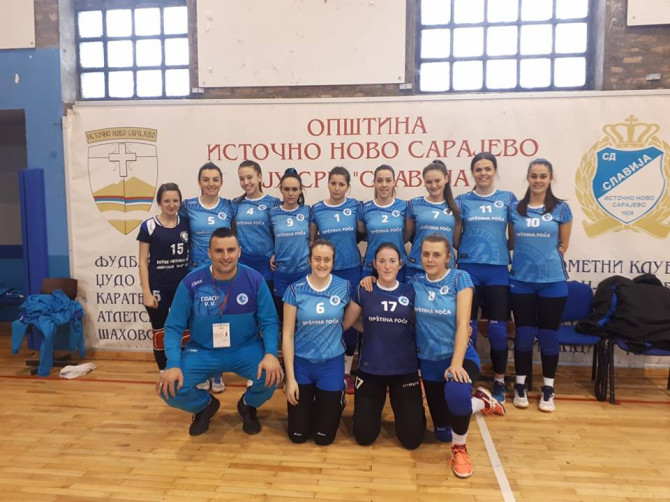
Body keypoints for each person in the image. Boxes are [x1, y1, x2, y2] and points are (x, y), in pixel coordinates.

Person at [156, 228, 283, 436]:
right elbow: (173, 327)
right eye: (219, 251)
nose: (225, 256)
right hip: (203, 351)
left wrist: (270, 353)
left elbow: (269, 321)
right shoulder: (191, 282)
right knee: (169, 388)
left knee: (273, 376)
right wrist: (173, 364)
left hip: (245, 349)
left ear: (239, 251)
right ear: (209, 253)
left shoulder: (254, 280)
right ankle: (205, 406)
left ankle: (248, 404)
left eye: (231, 250)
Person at [412, 234, 505, 478]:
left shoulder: (459, 278)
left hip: (461, 357)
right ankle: (482, 403)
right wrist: (370, 278)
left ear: (447, 257)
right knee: (443, 431)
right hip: (429, 362)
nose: (430, 259)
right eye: (426, 254)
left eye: (436, 255)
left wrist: (455, 364)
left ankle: (460, 449)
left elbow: (464, 323)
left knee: (456, 393)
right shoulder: (415, 282)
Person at [342, 242, 425, 450]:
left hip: (404, 371)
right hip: (371, 370)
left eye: (392, 261)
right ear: (375, 264)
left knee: (412, 441)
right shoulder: (364, 290)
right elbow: (346, 323)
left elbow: (422, 325)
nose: (387, 266)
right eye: (382, 261)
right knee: (364, 436)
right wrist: (372, 327)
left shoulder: (411, 292)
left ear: (400, 264)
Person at [508, 158, 573, 413]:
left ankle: (548, 389)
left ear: (550, 178)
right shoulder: (515, 209)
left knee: (548, 336)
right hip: (521, 282)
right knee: (524, 336)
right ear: (527, 177)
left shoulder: (561, 208)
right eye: (534, 175)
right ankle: (520, 386)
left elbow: (563, 245)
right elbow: (512, 242)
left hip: (552, 283)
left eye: (543, 176)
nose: (538, 180)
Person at [454, 152, 517, 403]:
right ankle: (465, 377)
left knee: (498, 331)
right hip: (468, 270)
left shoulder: (508, 199)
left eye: (487, 168)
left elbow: (512, 237)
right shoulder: (462, 200)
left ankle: (499, 381)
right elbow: (456, 237)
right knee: (466, 328)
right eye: (478, 169)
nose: (483, 173)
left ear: (495, 171)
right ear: (472, 173)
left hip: (497, 271)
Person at [282, 240, 351, 446]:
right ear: (310, 260)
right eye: (317, 259)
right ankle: (311, 403)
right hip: (302, 365)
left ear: (333, 262)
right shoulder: (295, 290)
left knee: (323, 438)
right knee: (298, 436)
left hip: (331, 364)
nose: (322, 264)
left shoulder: (344, 287)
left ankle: (335, 398)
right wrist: (290, 379)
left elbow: (353, 318)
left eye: (327, 260)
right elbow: (287, 335)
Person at [180, 162, 234, 393]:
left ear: (221, 182)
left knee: (221, 322)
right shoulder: (187, 206)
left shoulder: (229, 206)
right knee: (199, 323)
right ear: (199, 182)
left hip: (223, 273)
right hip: (196, 273)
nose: (211, 184)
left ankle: (218, 373)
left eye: (215, 179)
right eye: (206, 179)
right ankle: (202, 371)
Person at [310, 166, 363, 394]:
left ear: (348, 186)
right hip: (326, 272)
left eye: (342, 184)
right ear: (328, 184)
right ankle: (324, 365)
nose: (337, 188)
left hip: (351, 269)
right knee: (325, 317)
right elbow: (312, 240)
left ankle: (347, 371)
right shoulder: (317, 209)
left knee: (350, 320)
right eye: (333, 183)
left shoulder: (356, 207)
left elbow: (362, 233)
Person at [137, 183, 189, 370]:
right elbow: (142, 261)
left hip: (182, 288)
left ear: (180, 202)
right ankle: (163, 370)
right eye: (167, 201)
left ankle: (183, 368)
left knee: (185, 330)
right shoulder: (149, 226)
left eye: (175, 200)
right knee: (160, 331)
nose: (171, 205)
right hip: (158, 288)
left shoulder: (186, 223)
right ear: (159, 202)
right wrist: (146, 292)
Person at [406, 160, 459, 280]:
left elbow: (456, 241)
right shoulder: (414, 204)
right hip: (417, 265)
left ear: (446, 178)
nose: (433, 185)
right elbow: (408, 236)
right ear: (424, 183)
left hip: (446, 267)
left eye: (437, 180)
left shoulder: (457, 206)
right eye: (429, 182)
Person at [269, 168, 311, 315]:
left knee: (303, 316)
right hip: (281, 274)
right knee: (282, 317)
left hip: (303, 272)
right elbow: (269, 238)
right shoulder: (273, 213)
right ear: (281, 189)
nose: (291, 193)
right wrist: (272, 253)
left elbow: (313, 239)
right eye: (286, 189)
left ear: (300, 190)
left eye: (294, 189)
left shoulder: (308, 211)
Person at [232, 160, 280, 285]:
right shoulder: (236, 203)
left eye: (249, 177)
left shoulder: (274, 203)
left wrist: (276, 254)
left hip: (267, 266)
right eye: (242, 179)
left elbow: (281, 234)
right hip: (242, 264)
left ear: (259, 177)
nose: (246, 182)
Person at [358, 164, 408, 281]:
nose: (384, 185)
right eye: (379, 181)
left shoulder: (404, 206)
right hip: (371, 267)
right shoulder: (364, 208)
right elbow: (361, 233)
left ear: (394, 182)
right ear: (374, 183)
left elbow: (407, 235)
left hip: (399, 267)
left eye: (388, 180)